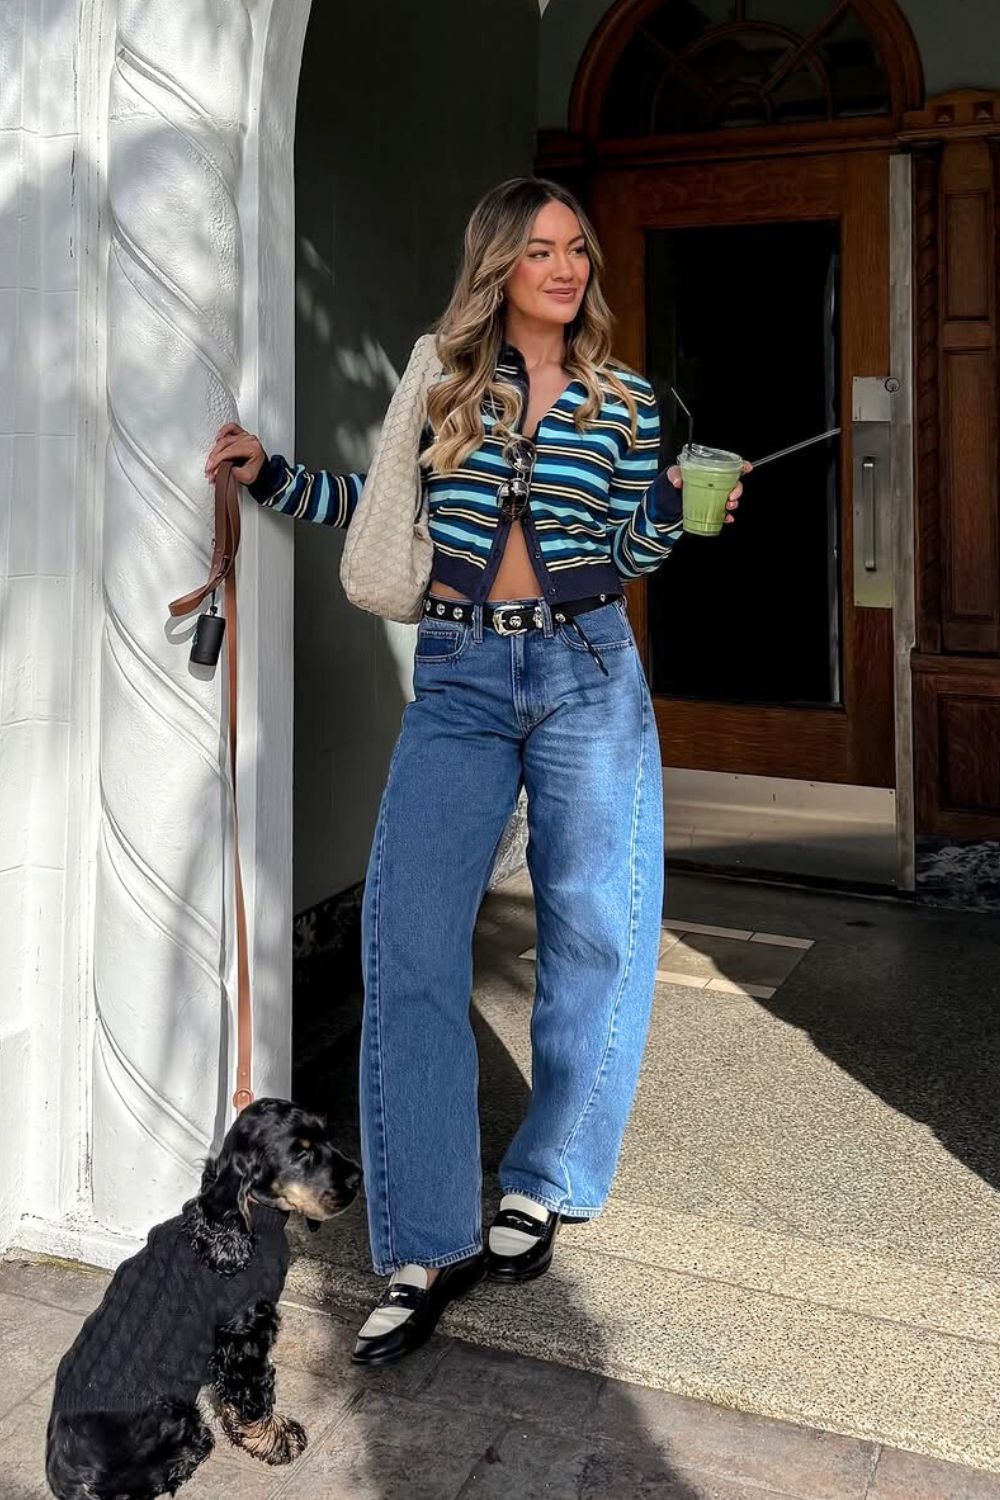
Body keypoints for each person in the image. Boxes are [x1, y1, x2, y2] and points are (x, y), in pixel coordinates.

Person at [205, 177, 744, 1368]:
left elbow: (630, 549)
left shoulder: (627, 401)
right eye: (541, 250)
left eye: (577, 250)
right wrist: (275, 476)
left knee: (592, 928)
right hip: (456, 678)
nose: (566, 269)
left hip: (585, 672)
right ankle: (425, 1240)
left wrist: (673, 506)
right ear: (496, 266)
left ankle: (544, 1181)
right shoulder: (443, 382)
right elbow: (386, 514)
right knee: (407, 941)